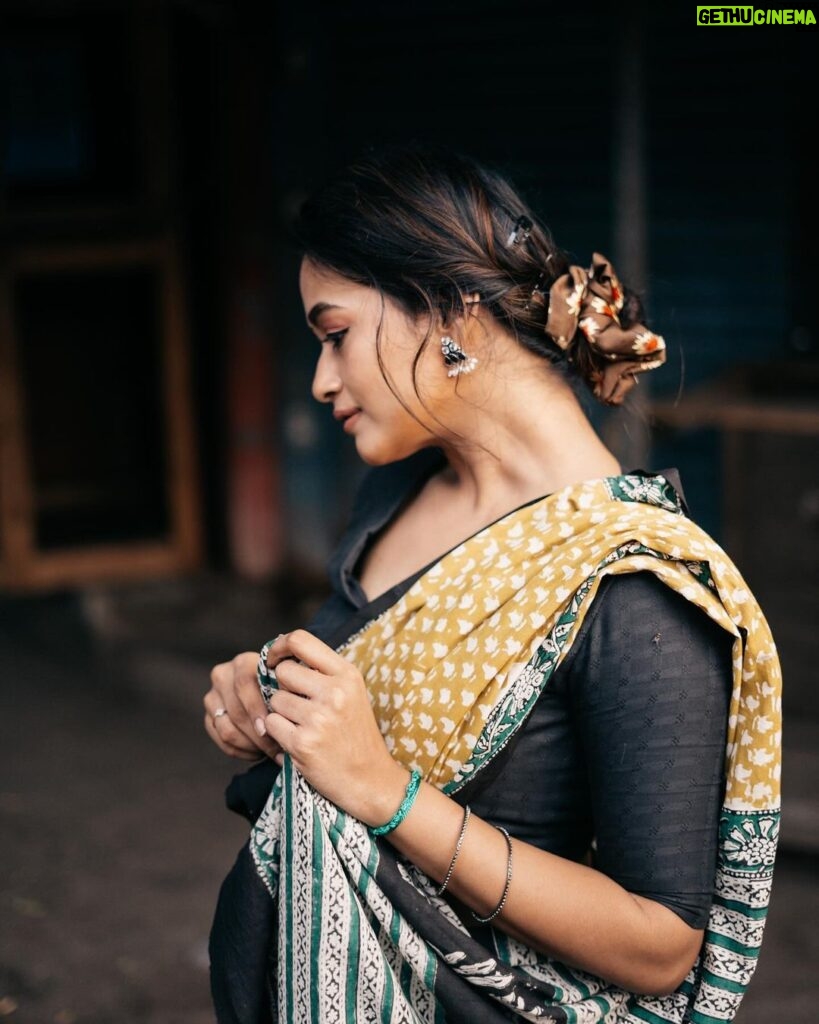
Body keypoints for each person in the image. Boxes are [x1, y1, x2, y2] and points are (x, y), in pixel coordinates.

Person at [202, 142, 781, 1024]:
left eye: (335, 335)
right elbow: (358, 713)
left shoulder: (632, 584)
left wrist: (388, 796)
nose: (321, 380)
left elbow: (660, 946)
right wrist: (274, 710)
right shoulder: (393, 496)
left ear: (450, 313)